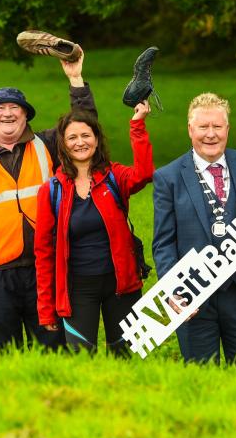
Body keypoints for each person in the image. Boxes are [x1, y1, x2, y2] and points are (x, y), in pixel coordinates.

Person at [0, 50, 96, 350]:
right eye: (0, 108)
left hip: (44, 266)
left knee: (53, 347)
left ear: (25, 114)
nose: (7, 113)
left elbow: (85, 124)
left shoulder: (48, 145)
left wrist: (76, 79)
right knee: (6, 350)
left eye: (14, 107)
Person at [152, 93, 236, 371]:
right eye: (203, 127)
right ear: (190, 130)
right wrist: (172, 290)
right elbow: (163, 244)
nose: (210, 134)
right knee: (203, 383)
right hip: (194, 299)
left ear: (227, 129)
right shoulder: (168, 177)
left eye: (217, 127)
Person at [34, 102, 154, 355]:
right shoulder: (51, 190)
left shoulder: (114, 176)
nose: (80, 142)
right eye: (72, 137)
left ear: (97, 140)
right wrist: (46, 310)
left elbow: (143, 174)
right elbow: (43, 254)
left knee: (126, 357)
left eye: (86, 135)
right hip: (77, 289)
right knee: (80, 359)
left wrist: (137, 125)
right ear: (63, 144)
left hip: (121, 286)